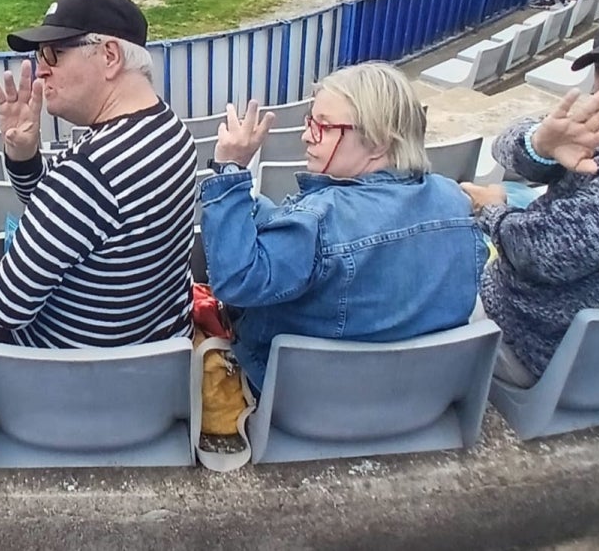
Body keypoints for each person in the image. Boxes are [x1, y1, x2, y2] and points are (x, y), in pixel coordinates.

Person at [200, 62, 486, 390]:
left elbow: (235, 281)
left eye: (324, 126)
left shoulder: (319, 221)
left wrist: (229, 170)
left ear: (378, 142)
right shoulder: (456, 200)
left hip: (308, 403)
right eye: (310, 122)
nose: (307, 136)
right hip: (419, 398)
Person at [0, 0, 196, 347]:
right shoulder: (172, 131)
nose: (40, 70)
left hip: (79, 377)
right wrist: (24, 155)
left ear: (110, 55)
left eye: (53, 53)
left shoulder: (88, 171)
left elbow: (5, 306)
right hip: (156, 356)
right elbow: (74, 219)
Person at [462, 4, 599, 388]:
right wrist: (540, 145)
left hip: (533, 346)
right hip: (588, 356)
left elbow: (537, 255)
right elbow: (506, 146)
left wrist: (490, 208)